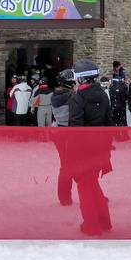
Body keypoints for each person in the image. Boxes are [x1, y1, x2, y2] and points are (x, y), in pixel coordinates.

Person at [66, 59, 113, 235]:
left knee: (84, 186)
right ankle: (104, 221)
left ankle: (92, 224)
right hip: (99, 147)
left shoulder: (77, 98)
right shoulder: (103, 95)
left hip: (83, 149)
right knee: (92, 184)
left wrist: (72, 153)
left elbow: (75, 128)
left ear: (81, 78)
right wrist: (106, 148)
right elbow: (109, 123)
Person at [50, 68, 75, 206]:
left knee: (67, 165)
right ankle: (65, 196)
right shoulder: (65, 96)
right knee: (67, 165)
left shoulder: (61, 95)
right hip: (65, 133)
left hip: (62, 133)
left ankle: (65, 195)